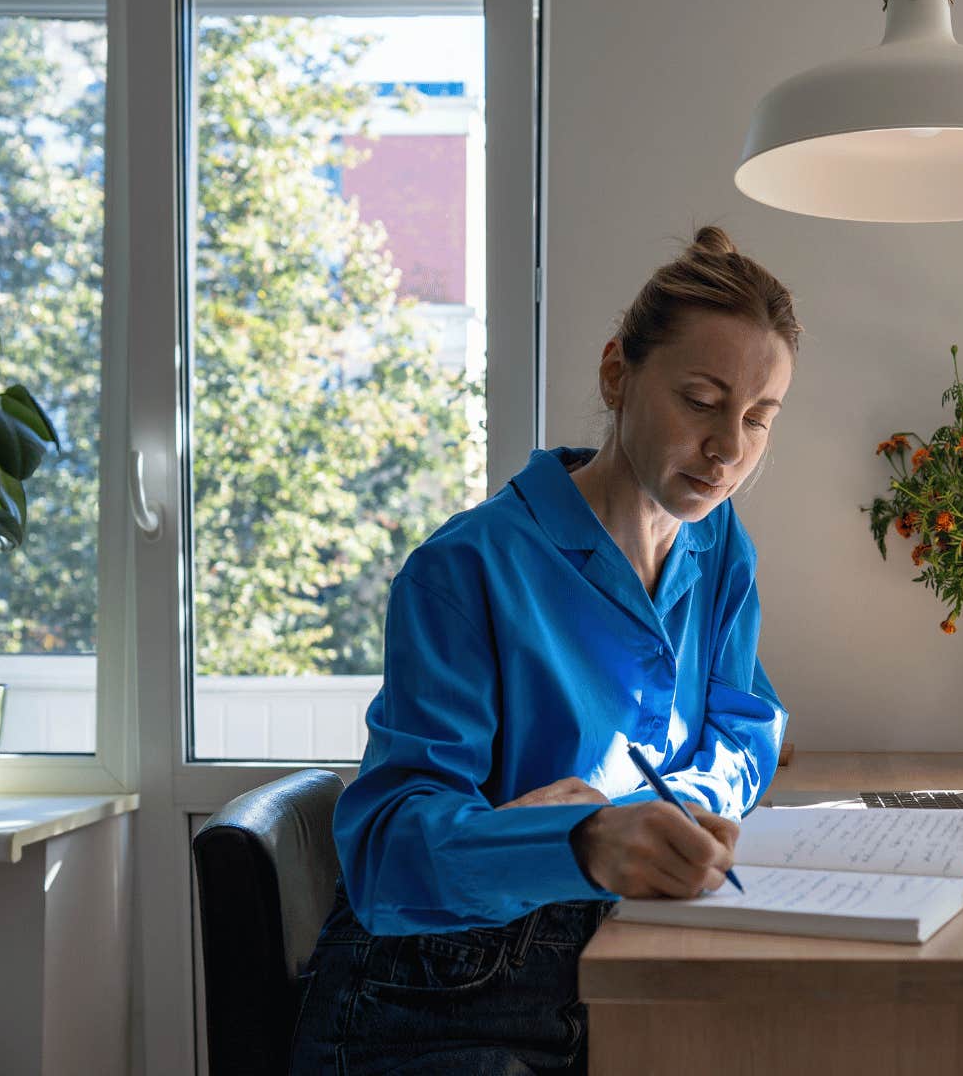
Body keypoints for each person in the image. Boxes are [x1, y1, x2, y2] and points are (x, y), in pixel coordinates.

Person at [288, 226, 799, 1075]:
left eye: (757, 418)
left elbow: (746, 724)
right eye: (702, 402)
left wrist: (684, 809)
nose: (729, 448)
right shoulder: (467, 567)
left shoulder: (718, 549)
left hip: (610, 962)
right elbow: (386, 851)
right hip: (431, 1000)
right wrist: (583, 838)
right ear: (616, 373)